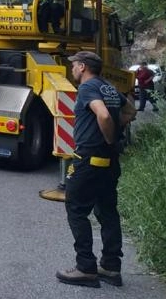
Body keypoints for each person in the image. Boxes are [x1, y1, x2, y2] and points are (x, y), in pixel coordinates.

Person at [56, 50, 133, 288]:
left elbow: (102, 114)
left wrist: (108, 135)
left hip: (89, 159)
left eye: (74, 65)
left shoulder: (88, 88)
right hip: (109, 162)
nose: (72, 69)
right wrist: (113, 137)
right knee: (107, 211)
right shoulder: (108, 87)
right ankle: (111, 267)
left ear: (82, 67)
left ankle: (85, 268)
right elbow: (131, 110)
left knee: (76, 209)